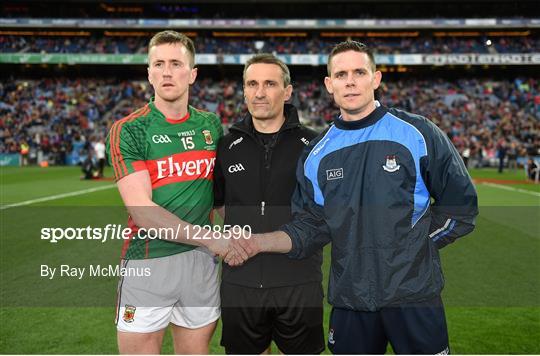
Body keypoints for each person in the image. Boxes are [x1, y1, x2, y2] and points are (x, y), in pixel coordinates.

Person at [227, 41, 479, 354]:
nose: (350, 81)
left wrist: (418, 248)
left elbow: (461, 206)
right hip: (351, 299)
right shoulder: (317, 154)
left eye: (359, 72)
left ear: (376, 78)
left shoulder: (418, 133)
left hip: (414, 298)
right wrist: (258, 243)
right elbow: (311, 225)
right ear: (329, 85)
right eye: (341, 74)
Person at [106, 30, 232, 354]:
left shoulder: (211, 125)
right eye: (158, 64)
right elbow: (142, 212)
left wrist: (240, 235)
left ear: (192, 74)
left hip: (200, 264)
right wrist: (211, 239)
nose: (166, 71)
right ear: (149, 73)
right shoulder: (129, 129)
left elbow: (219, 196)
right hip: (149, 263)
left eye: (176, 63)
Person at [213, 54, 324, 354]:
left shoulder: (314, 146)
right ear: (244, 91)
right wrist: (238, 242)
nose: (260, 92)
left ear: (287, 92)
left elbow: (322, 216)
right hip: (241, 282)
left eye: (270, 84)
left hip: (299, 281)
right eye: (252, 84)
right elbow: (220, 205)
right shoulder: (225, 146)